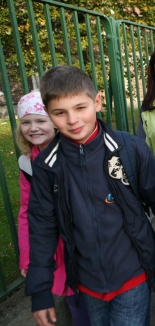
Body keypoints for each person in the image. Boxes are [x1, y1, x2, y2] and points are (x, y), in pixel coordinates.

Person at [25, 66, 155, 326]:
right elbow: (42, 226)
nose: (72, 120)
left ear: (97, 102)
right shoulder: (46, 166)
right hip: (87, 283)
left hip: (132, 275)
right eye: (60, 113)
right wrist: (40, 290)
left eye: (80, 108)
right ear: (49, 115)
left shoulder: (130, 149)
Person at [15, 92, 90, 326]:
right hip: (53, 242)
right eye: (26, 122)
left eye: (40, 120)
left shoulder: (74, 152)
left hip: (82, 236)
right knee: (73, 297)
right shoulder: (27, 163)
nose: (33, 128)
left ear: (55, 124)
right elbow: (27, 212)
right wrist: (28, 257)